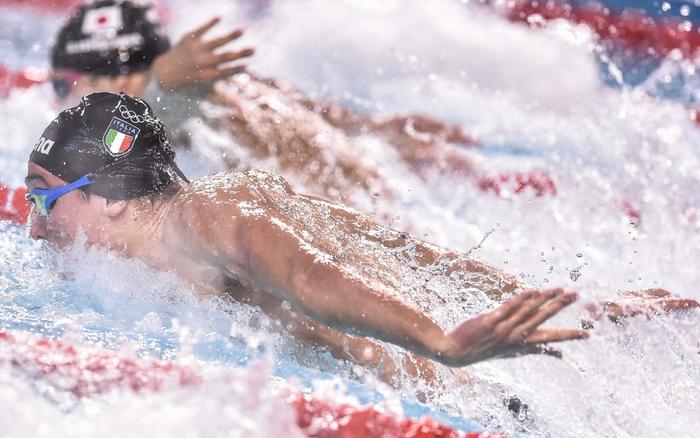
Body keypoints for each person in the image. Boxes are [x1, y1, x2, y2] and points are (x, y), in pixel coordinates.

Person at [25, 91, 592, 371]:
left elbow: (309, 275)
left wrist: (439, 342)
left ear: (113, 199)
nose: (33, 227)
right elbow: (399, 247)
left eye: (43, 199)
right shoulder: (211, 214)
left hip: (460, 384)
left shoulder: (201, 216)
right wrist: (545, 299)